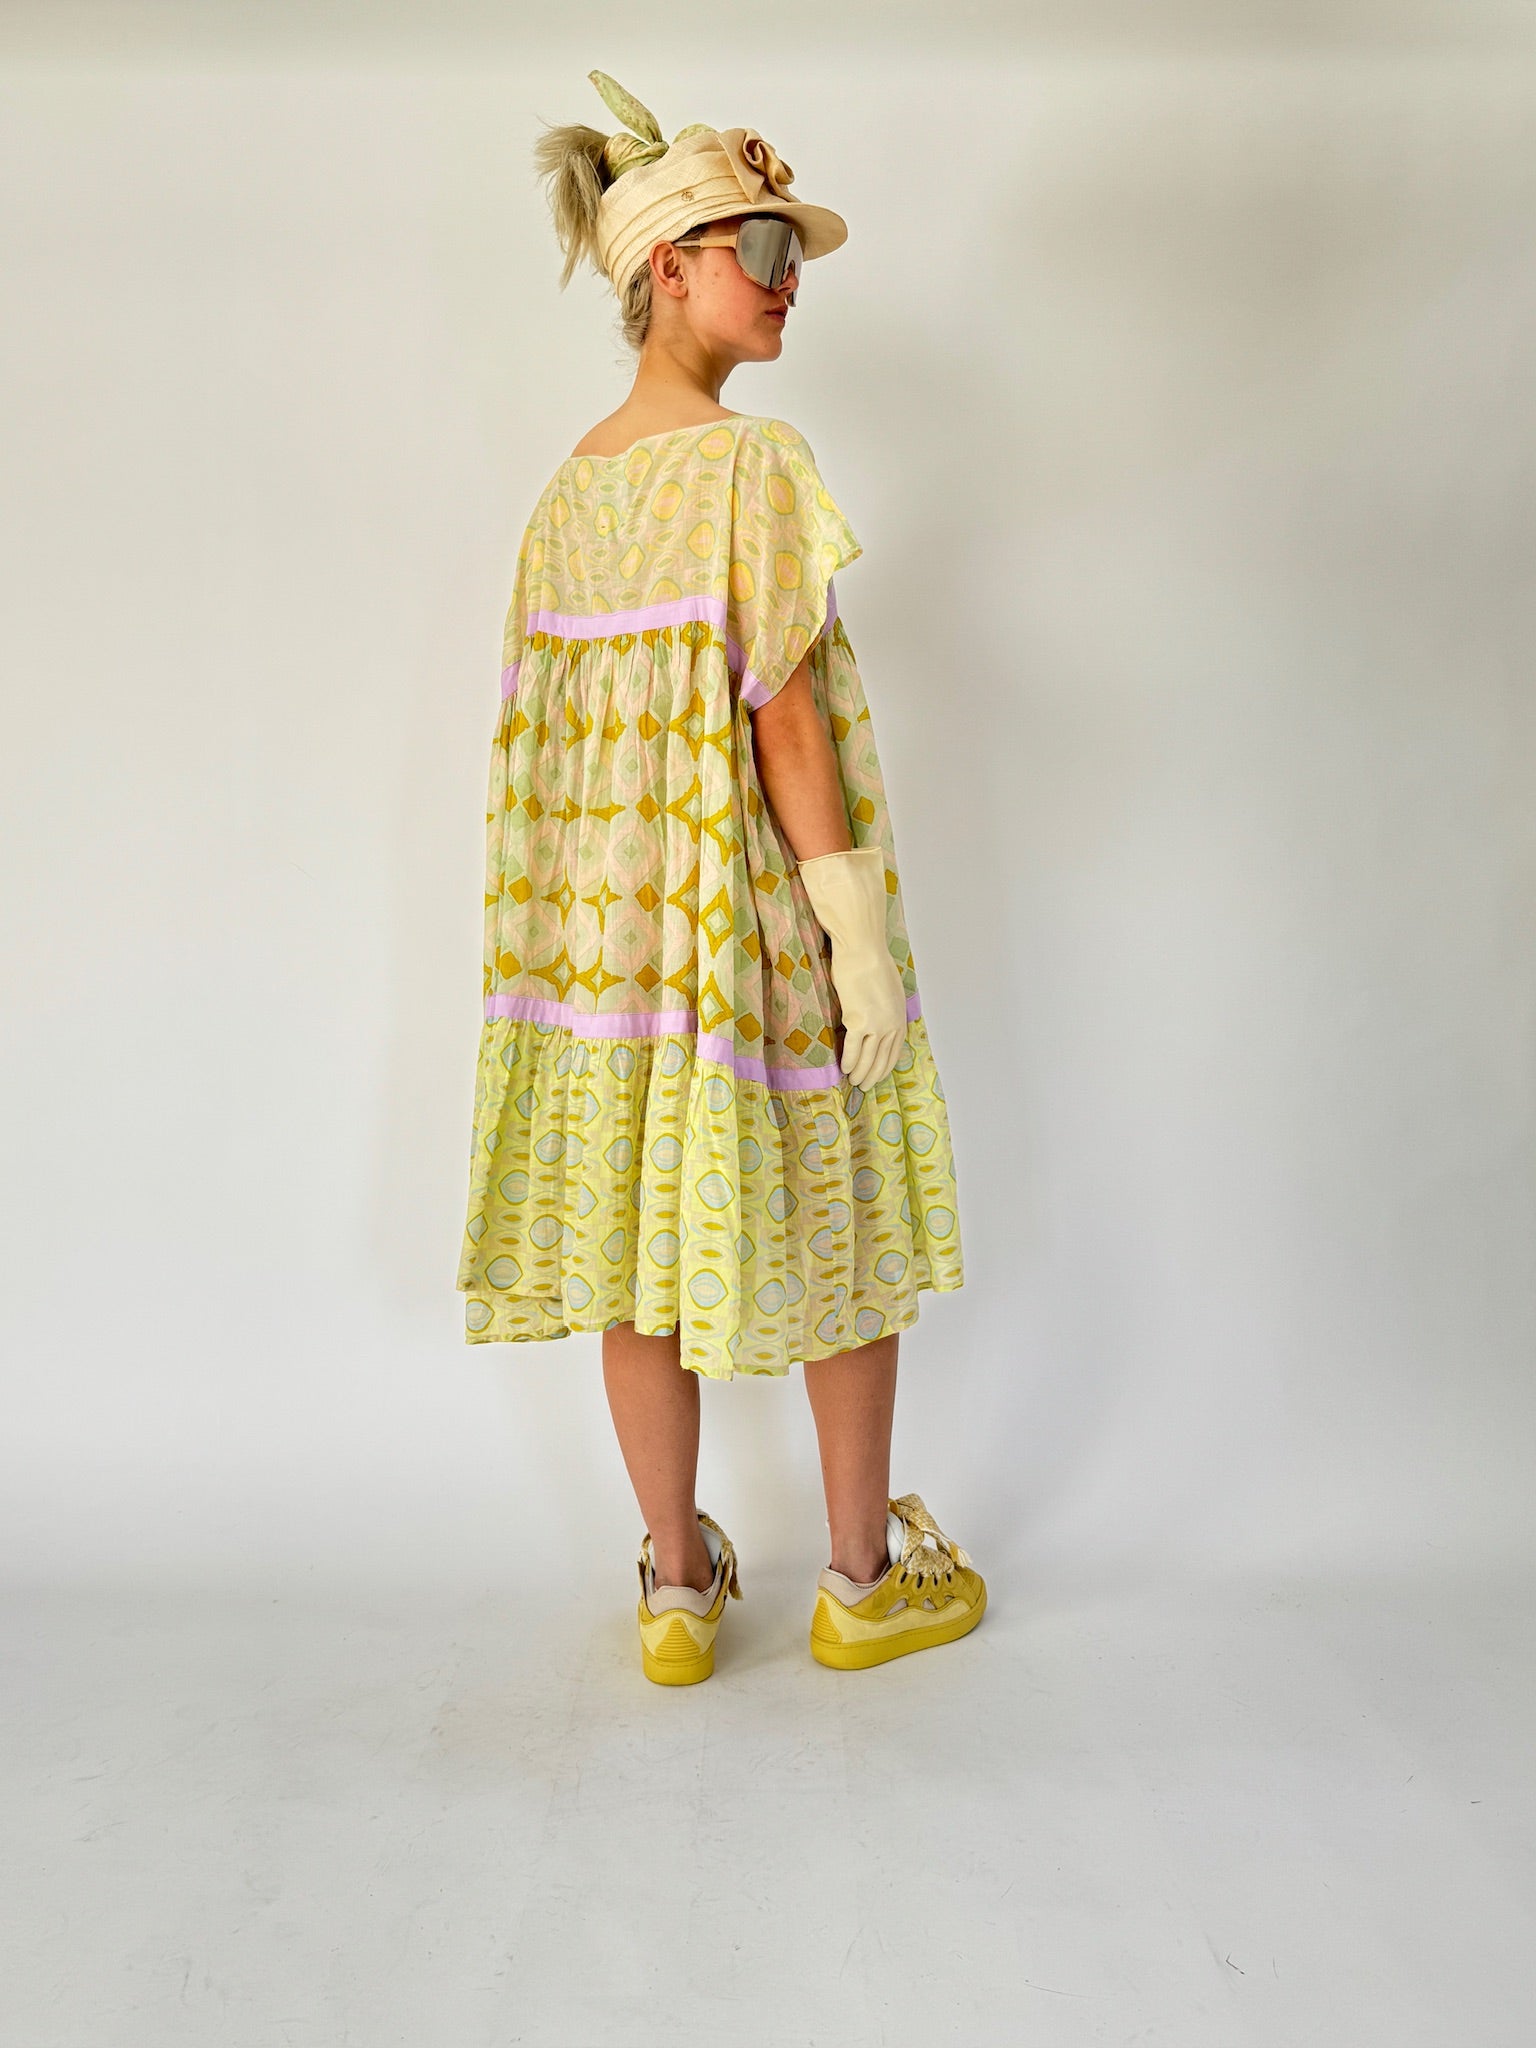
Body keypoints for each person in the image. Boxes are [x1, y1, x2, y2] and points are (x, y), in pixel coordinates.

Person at [456, 69, 984, 1684]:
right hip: (743, 923)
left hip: (599, 958)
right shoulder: (753, 466)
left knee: (632, 1248)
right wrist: (852, 934)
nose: (786, 277)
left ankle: (677, 1593)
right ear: (667, 267)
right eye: (757, 244)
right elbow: (787, 722)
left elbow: (540, 755)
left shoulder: (565, 497)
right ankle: (858, 1582)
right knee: (842, 1210)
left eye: (793, 252)